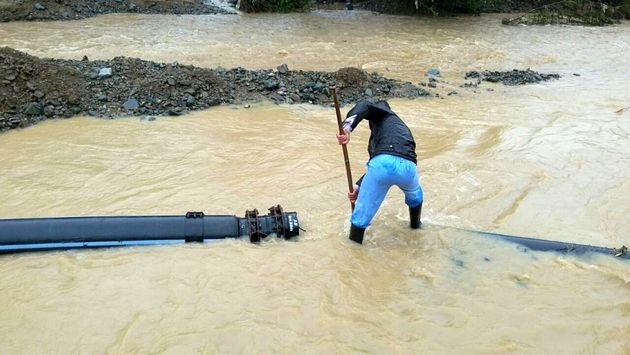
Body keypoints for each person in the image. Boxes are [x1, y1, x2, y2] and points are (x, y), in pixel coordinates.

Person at [336, 100, 423, 244]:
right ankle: (416, 228)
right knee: (416, 197)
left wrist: (347, 127)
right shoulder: (398, 128)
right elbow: (390, 159)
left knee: (360, 217)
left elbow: (364, 105)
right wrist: (358, 186)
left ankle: (354, 253)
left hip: (382, 164)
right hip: (409, 166)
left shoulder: (383, 112)